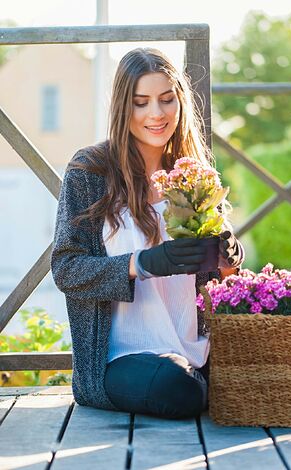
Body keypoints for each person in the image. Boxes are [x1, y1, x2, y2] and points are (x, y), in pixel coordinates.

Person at [51, 47, 244, 419]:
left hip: (195, 349)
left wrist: (228, 259)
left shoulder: (193, 174)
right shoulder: (90, 171)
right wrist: (144, 263)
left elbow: (217, 282)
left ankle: (205, 383)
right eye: (141, 102)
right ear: (124, 108)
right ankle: (204, 388)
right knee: (177, 389)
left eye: (166, 99)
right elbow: (67, 269)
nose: (156, 114)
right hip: (121, 358)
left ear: (180, 103)